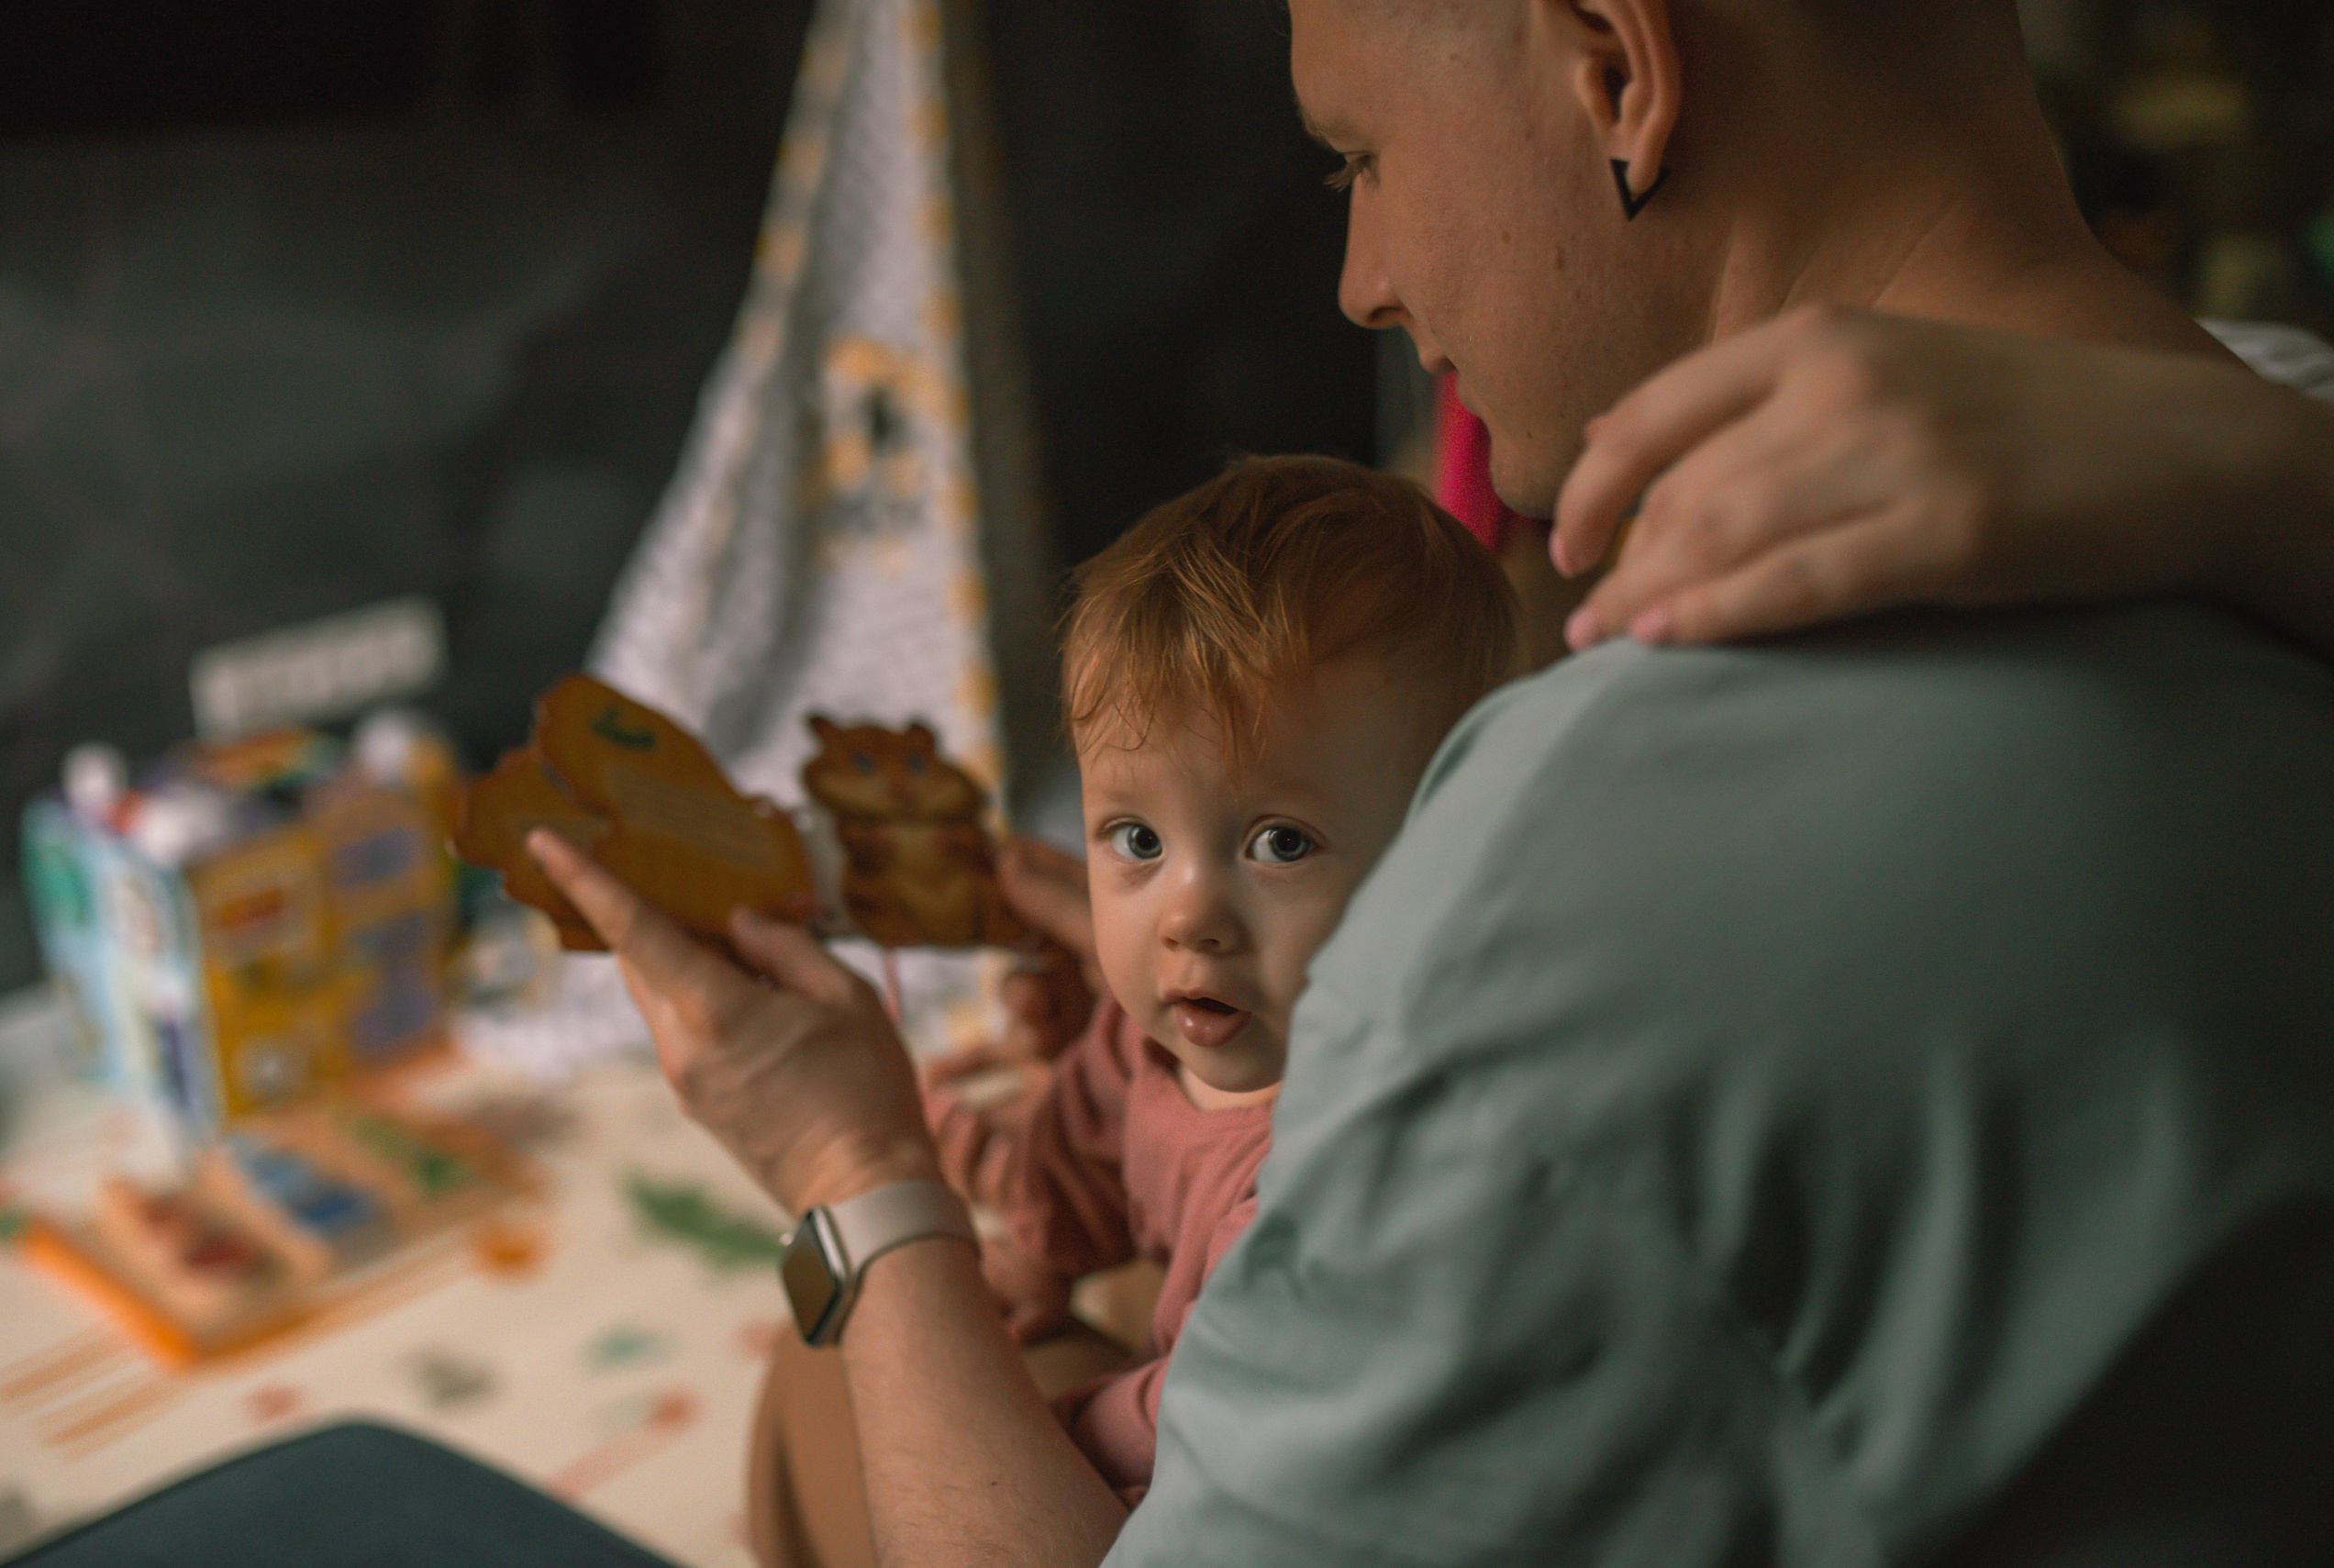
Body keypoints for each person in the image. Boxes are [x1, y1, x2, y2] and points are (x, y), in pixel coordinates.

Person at [528, 2, 2334, 1564]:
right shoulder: (2254, 435)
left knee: (825, 1370)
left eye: (1355, 157)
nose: (1358, 275)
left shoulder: (1531, 915)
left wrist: (855, 1170)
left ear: (1616, 67)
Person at [747, 455, 1519, 1563]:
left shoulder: (1347, 1175)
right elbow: (1087, 1124)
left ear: (1446, 850)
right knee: (837, 1342)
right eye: (1137, 840)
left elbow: (1207, 1414)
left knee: (873, 1387)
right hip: (1213, 1400)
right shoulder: (1176, 1023)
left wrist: (1050, 1423)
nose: (1186, 915)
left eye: (1279, 842)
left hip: (1311, 1497)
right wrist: (1038, 1252)